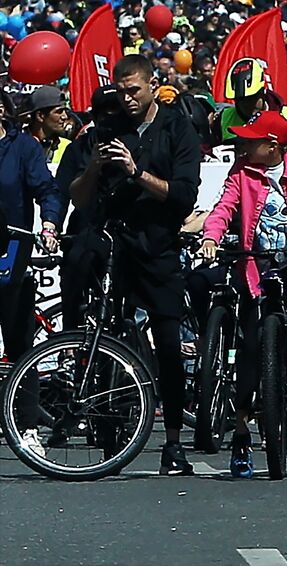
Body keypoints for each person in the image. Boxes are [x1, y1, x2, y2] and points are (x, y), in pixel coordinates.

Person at [65, 54, 203, 476]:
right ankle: (108, 422)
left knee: (166, 342)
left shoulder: (176, 128)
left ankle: (175, 440)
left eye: (134, 90)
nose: (126, 99)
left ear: (152, 85)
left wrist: (135, 170)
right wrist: (93, 167)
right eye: (120, 91)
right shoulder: (108, 131)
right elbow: (79, 197)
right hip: (116, 242)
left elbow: (183, 195)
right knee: (106, 329)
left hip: (158, 245)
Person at [198, 111, 287, 478]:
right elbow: (223, 210)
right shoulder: (241, 173)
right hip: (256, 264)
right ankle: (243, 431)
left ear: (273, 146)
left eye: (250, 141)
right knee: (250, 347)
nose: (242, 146)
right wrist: (212, 237)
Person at [0, 94, 62, 459]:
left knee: (20, 343)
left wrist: (50, 223)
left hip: (11, 253)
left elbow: (46, 190)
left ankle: (27, 427)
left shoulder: (22, 147)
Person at [214, 57, 287, 146]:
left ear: (262, 91)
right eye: (241, 100)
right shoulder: (223, 119)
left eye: (252, 98)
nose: (247, 104)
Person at [20, 85, 73, 165]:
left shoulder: (68, 147)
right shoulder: (16, 145)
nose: (65, 117)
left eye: (65, 111)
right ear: (40, 116)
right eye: (59, 111)